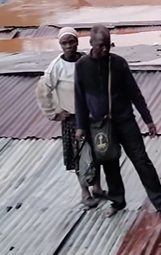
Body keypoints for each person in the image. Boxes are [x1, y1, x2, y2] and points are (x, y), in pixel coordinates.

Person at [74, 24, 161, 217]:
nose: (105, 49)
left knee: (142, 161)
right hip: (100, 125)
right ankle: (117, 202)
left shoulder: (118, 63)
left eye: (108, 45)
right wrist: (81, 127)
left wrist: (148, 119)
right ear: (91, 43)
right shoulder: (82, 66)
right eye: (101, 45)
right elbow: (80, 98)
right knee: (110, 164)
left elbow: (134, 93)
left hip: (125, 121)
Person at [36, 27, 104, 208]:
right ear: (60, 45)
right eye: (64, 43)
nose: (68, 46)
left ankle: (97, 186)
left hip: (92, 116)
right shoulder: (56, 67)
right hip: (72, 119)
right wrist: (54, 113)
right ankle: (85, 192)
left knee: (98, 152)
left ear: (77, 42)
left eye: (71, 42)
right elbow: (43, 90)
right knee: (79, 155)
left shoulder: (87, 61)